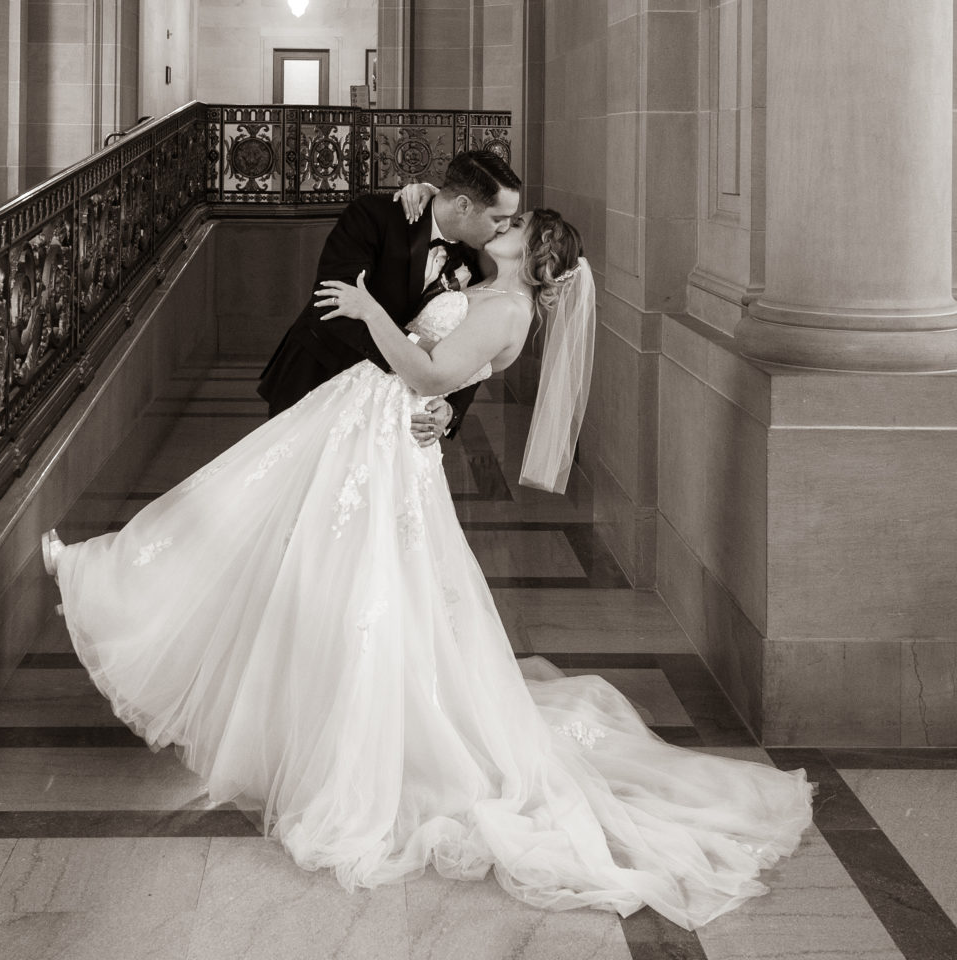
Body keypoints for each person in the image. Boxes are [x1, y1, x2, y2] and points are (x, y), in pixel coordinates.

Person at [41, 208, 813, 930]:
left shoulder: (509, 310)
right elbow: (446, 375)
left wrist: (371, 311)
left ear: (537, 256)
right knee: (277, 537)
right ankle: (149, 598)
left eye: (517, 224)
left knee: (362, 588)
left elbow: (434, 377)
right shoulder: (480, 288)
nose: (504, 224)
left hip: (385, 444)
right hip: (366, 428)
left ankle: (342, 742)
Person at [258, 149, 521, 444]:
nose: (505, 228)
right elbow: (331, 303)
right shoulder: (374, 215)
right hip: (318, 378)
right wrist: (419, 350)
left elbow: (473, 347)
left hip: (388, 413)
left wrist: (451, 408)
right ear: (463, 205)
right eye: (499, 218)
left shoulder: (479, 258)